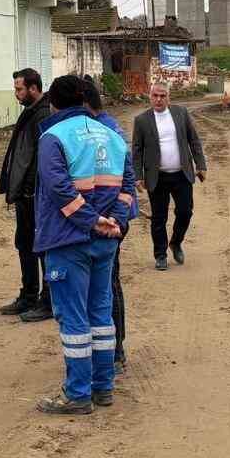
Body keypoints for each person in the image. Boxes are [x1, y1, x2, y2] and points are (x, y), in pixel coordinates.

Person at [32, 74, 136, 415]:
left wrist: (90, 220)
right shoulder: (113, 136)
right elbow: (128, 187)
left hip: (68, 240)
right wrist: (115, 221)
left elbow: (59, 188)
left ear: (54, 103)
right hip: (106, 241)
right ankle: (102, 387)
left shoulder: (53, 137)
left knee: (74, 319)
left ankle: (77, 394)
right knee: (101, 314)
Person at [131, 83, 207, 271]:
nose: (158, 99)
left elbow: (194, 140)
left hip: (181, 174)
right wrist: (137, 176)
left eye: (162, 95)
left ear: (168, 97)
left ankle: (175, 242)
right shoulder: (141, 120)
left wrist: (201, 164)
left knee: (185, 212)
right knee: (159, 218)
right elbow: (137, 151)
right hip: (157, 177)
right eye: (155, 95)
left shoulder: (181, 113)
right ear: (150, 97)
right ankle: (160, 255)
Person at [0, 68, 53, 320]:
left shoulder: (43, 115)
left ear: (33, 88)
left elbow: (40, 159)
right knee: (25, 245)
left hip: (35, 196)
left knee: (42, 248)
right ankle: (29, 295)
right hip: (24, 195)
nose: (16, 94)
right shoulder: (31, 112)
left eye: (19, 89)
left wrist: (29, 190)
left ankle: (46, 300)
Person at [80, 76, 129, 370]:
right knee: (104, 286)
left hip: (107, 222)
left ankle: (115, 348)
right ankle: (108, 348)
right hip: (105, 219)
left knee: (107, 286)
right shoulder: (108, 128)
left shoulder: (105, 131)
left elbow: (125, 179)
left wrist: (110, 220)